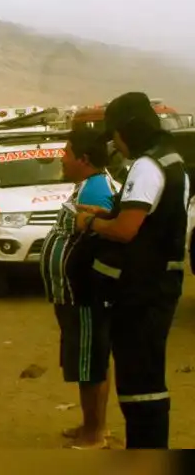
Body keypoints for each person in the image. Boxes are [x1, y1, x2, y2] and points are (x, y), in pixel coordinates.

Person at [74, 92, 189, 449]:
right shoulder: (174, 161)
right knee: (148, 379)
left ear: (130, 130)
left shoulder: (147, 165)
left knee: (140, 385)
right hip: (159, 284)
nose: (116, 144)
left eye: (117, 135)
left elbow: (127, 228)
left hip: (143, 290)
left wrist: (91, 224)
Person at [40, 128, 116, 449]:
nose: (62, 157)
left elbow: (100, 245)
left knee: (90, 364)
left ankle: (94, 434)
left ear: (84, 159)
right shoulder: (88, 187)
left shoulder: (95, 193)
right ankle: (91, 424)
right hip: (76, 294)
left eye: (67, 152)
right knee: (90, 360)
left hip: (85, 295)